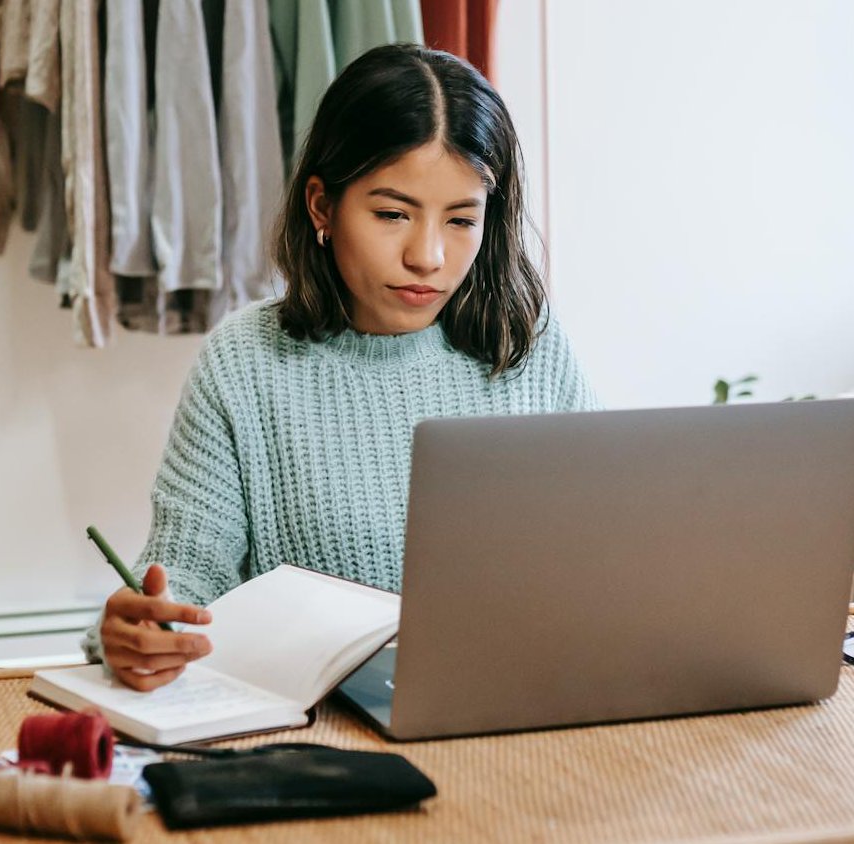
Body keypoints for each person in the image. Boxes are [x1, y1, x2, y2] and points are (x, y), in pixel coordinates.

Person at [87, 43, 599, 690]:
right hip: (325, 737)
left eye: (463, 219)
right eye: (391, 214)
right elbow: (182, 580)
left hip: (523, 706)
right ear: (322, 207)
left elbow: (605, 555)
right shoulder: (244, 364)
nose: (428, 256)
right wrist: (141, 633)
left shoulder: (528, 343)